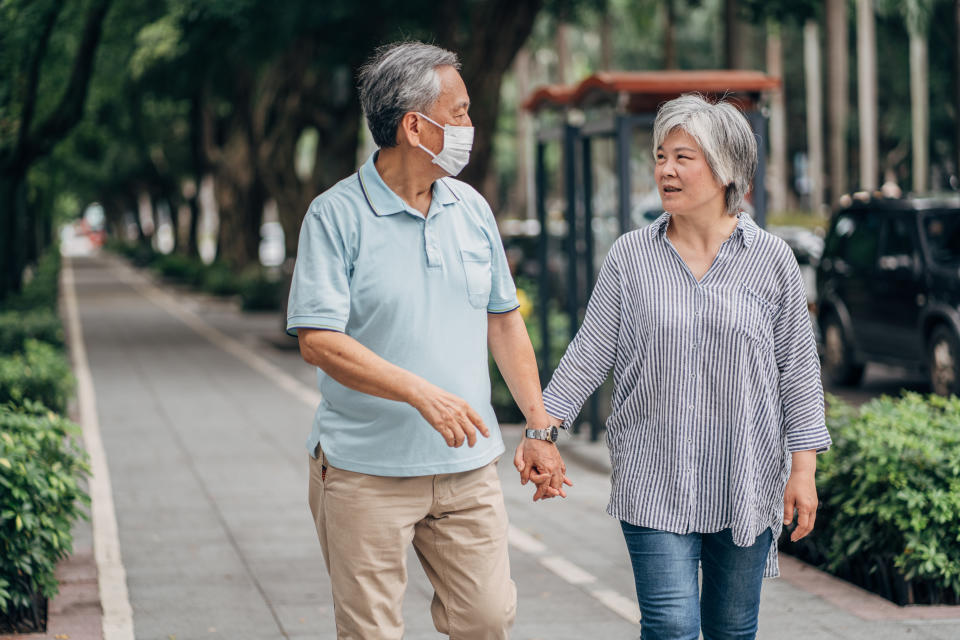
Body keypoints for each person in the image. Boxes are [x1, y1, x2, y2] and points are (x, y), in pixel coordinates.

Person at [521, 94, 832, 639]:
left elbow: (799, 373)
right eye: (660, 155)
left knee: (733, 631)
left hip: (745, 478)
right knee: (670, 627)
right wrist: (542, 432)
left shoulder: (772, 261)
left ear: (726, 167)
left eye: (683, 157)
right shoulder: (630, 257)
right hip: (654, 478)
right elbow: (590, 353)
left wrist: (802, 471)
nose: (665, 169)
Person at [286, 41, 569, 640]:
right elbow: (318, 340)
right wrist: (420, 393)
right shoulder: (335, 216)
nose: (472, 125)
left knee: (487, 619)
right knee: (372, 633)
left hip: (467, 468)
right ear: (416, 126)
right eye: (461, 111)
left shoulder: (471, 209)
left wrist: (539, 427)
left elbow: (503, 319)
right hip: (365, 470)